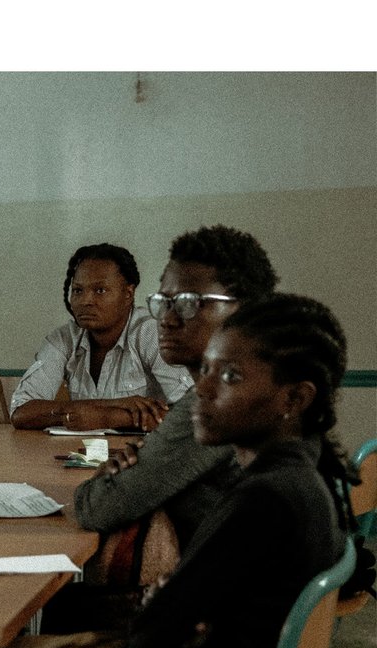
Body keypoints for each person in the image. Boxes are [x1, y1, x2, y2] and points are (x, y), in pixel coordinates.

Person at [125, 294, 350, 648]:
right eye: (205, 370)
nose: (202, 389)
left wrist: (164, 605)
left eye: (230, 375)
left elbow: (146, 641)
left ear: (294, 399)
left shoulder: (263, 500)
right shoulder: (304, 478)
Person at [71, 226, 279, 551]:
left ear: (244, 310)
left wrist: (99, 482)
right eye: (163, 302)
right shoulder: (263, 383)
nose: (167, 319)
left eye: (188, 303)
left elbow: (97, 509)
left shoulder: (220, 404)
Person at [9, 243, 191, 431]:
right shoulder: (64, 339)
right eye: (78, 290)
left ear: (128, 294)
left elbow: (192, 414)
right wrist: (110, 405)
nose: (86, 301)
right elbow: (21, 413)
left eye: (100, 290)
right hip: (79, 449)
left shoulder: (152, 333)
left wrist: (107, 418)